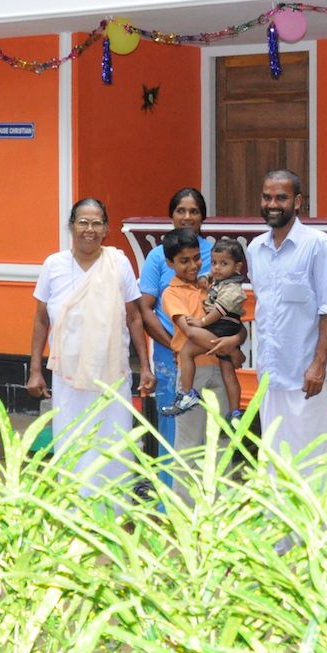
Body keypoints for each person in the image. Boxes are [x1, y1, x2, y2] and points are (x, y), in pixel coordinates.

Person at [27, 198, 155, 496]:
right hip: (67, 376)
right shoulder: (54, 265)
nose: (90, 229)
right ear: (71, 226)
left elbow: (134, 317)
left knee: (113, 440)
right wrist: (35, 370)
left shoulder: (118, 263)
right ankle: (74, 503)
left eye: (97, 223)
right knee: (72, 437)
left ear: (106, 229)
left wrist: (145, 366)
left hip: (111, 375)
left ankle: (114, 502)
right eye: (83, 222)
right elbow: (41, 320)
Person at [247, 169, 327, 490]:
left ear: (298, 201)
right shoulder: (255, 249)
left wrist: (319, 364)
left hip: (306, 376)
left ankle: (315, 519)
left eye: (281, 197)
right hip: (270, 375)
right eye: (267, 197)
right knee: (273, 458)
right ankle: (277, 523)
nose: (272, 204)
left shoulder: (318, 245)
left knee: (312, 458)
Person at [137, 188, 213, 455]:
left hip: (208, 353)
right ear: (171, 215)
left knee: (208, 423)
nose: (187, 217)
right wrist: (174, 345)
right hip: (168, 352)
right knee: (172, 420)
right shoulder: (158, 256)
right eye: (181, 210)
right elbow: (145, 308)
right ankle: (169, 482)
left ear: (203, 216)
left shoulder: (215, 253)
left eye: (194, 211)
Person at [162, 234, 247, 420]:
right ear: (170, 263)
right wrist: (232, 351)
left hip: (220, 368)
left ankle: (234, 414)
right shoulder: (172, 293)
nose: (193, 265)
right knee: (190, 435)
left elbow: (238, 327)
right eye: (184, 261)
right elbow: (190, 332)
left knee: (223, 433)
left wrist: (235, 340)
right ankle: (189, 396)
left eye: (197, 258)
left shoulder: (213, 286)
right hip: (194, 372)